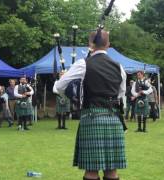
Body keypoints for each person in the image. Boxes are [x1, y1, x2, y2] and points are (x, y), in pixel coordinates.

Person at [54, 30, 127, 180]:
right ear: (108, 45)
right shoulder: (119, 67)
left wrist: (73, 95)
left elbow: (59, 87)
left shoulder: (83, 64)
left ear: (90, 44)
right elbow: (121, 94)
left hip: (91, 118)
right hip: (114, 119)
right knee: (112, 171)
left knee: (91, 171)